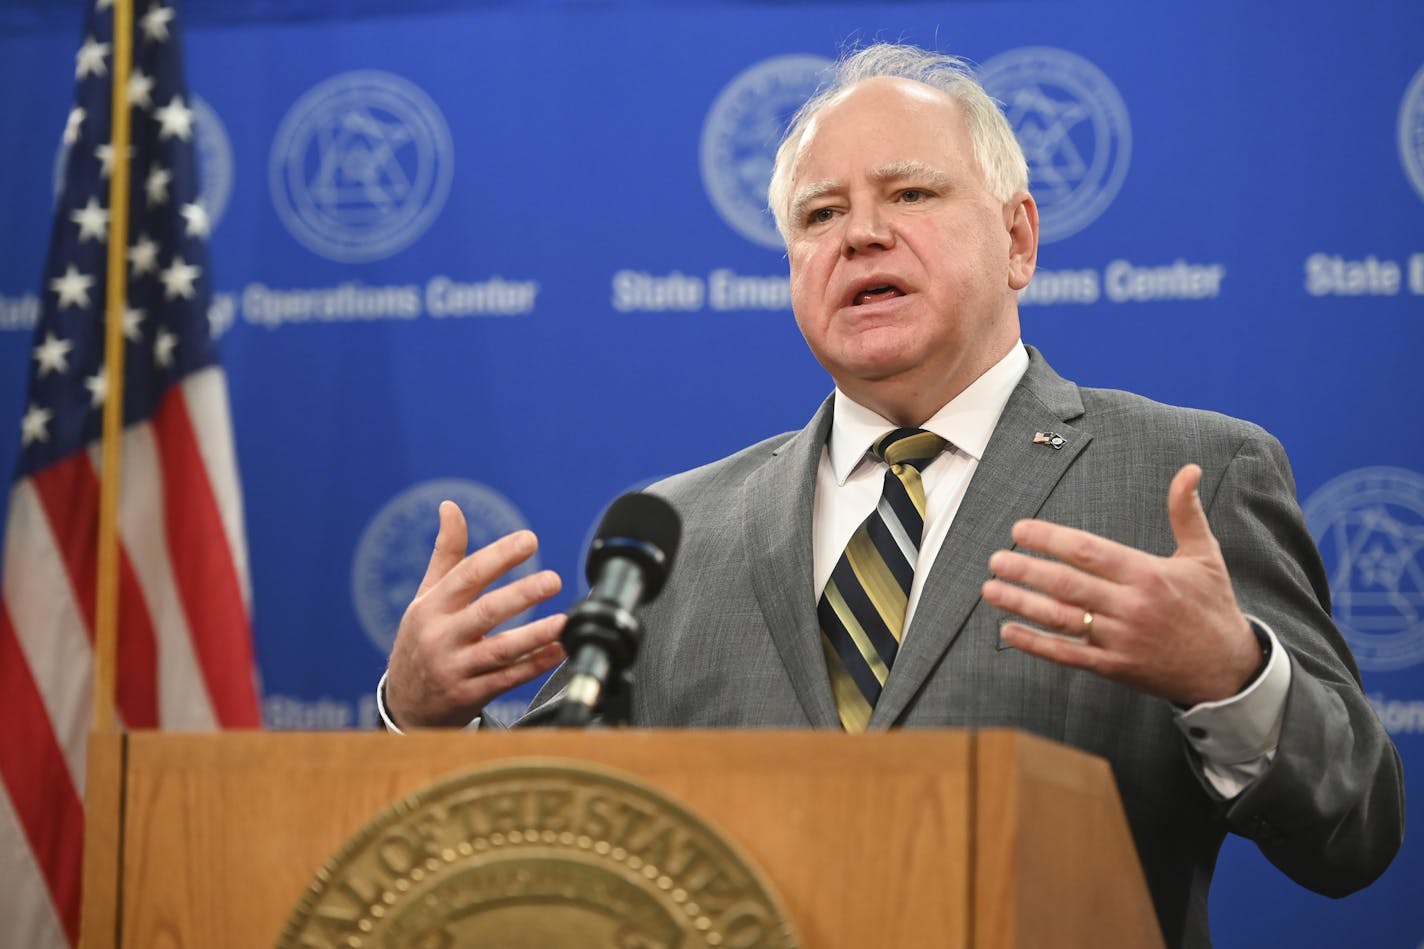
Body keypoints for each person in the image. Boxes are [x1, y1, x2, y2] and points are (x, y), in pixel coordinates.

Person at [379, 43, 1404, 948]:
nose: (858, 235)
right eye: (820, 214)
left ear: (1017, 239)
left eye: (908, 195)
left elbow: (1351, 831)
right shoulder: (676, 527)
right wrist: (421, 720)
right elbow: (544, 830)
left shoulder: (1185, 474)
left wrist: (1226, 675)